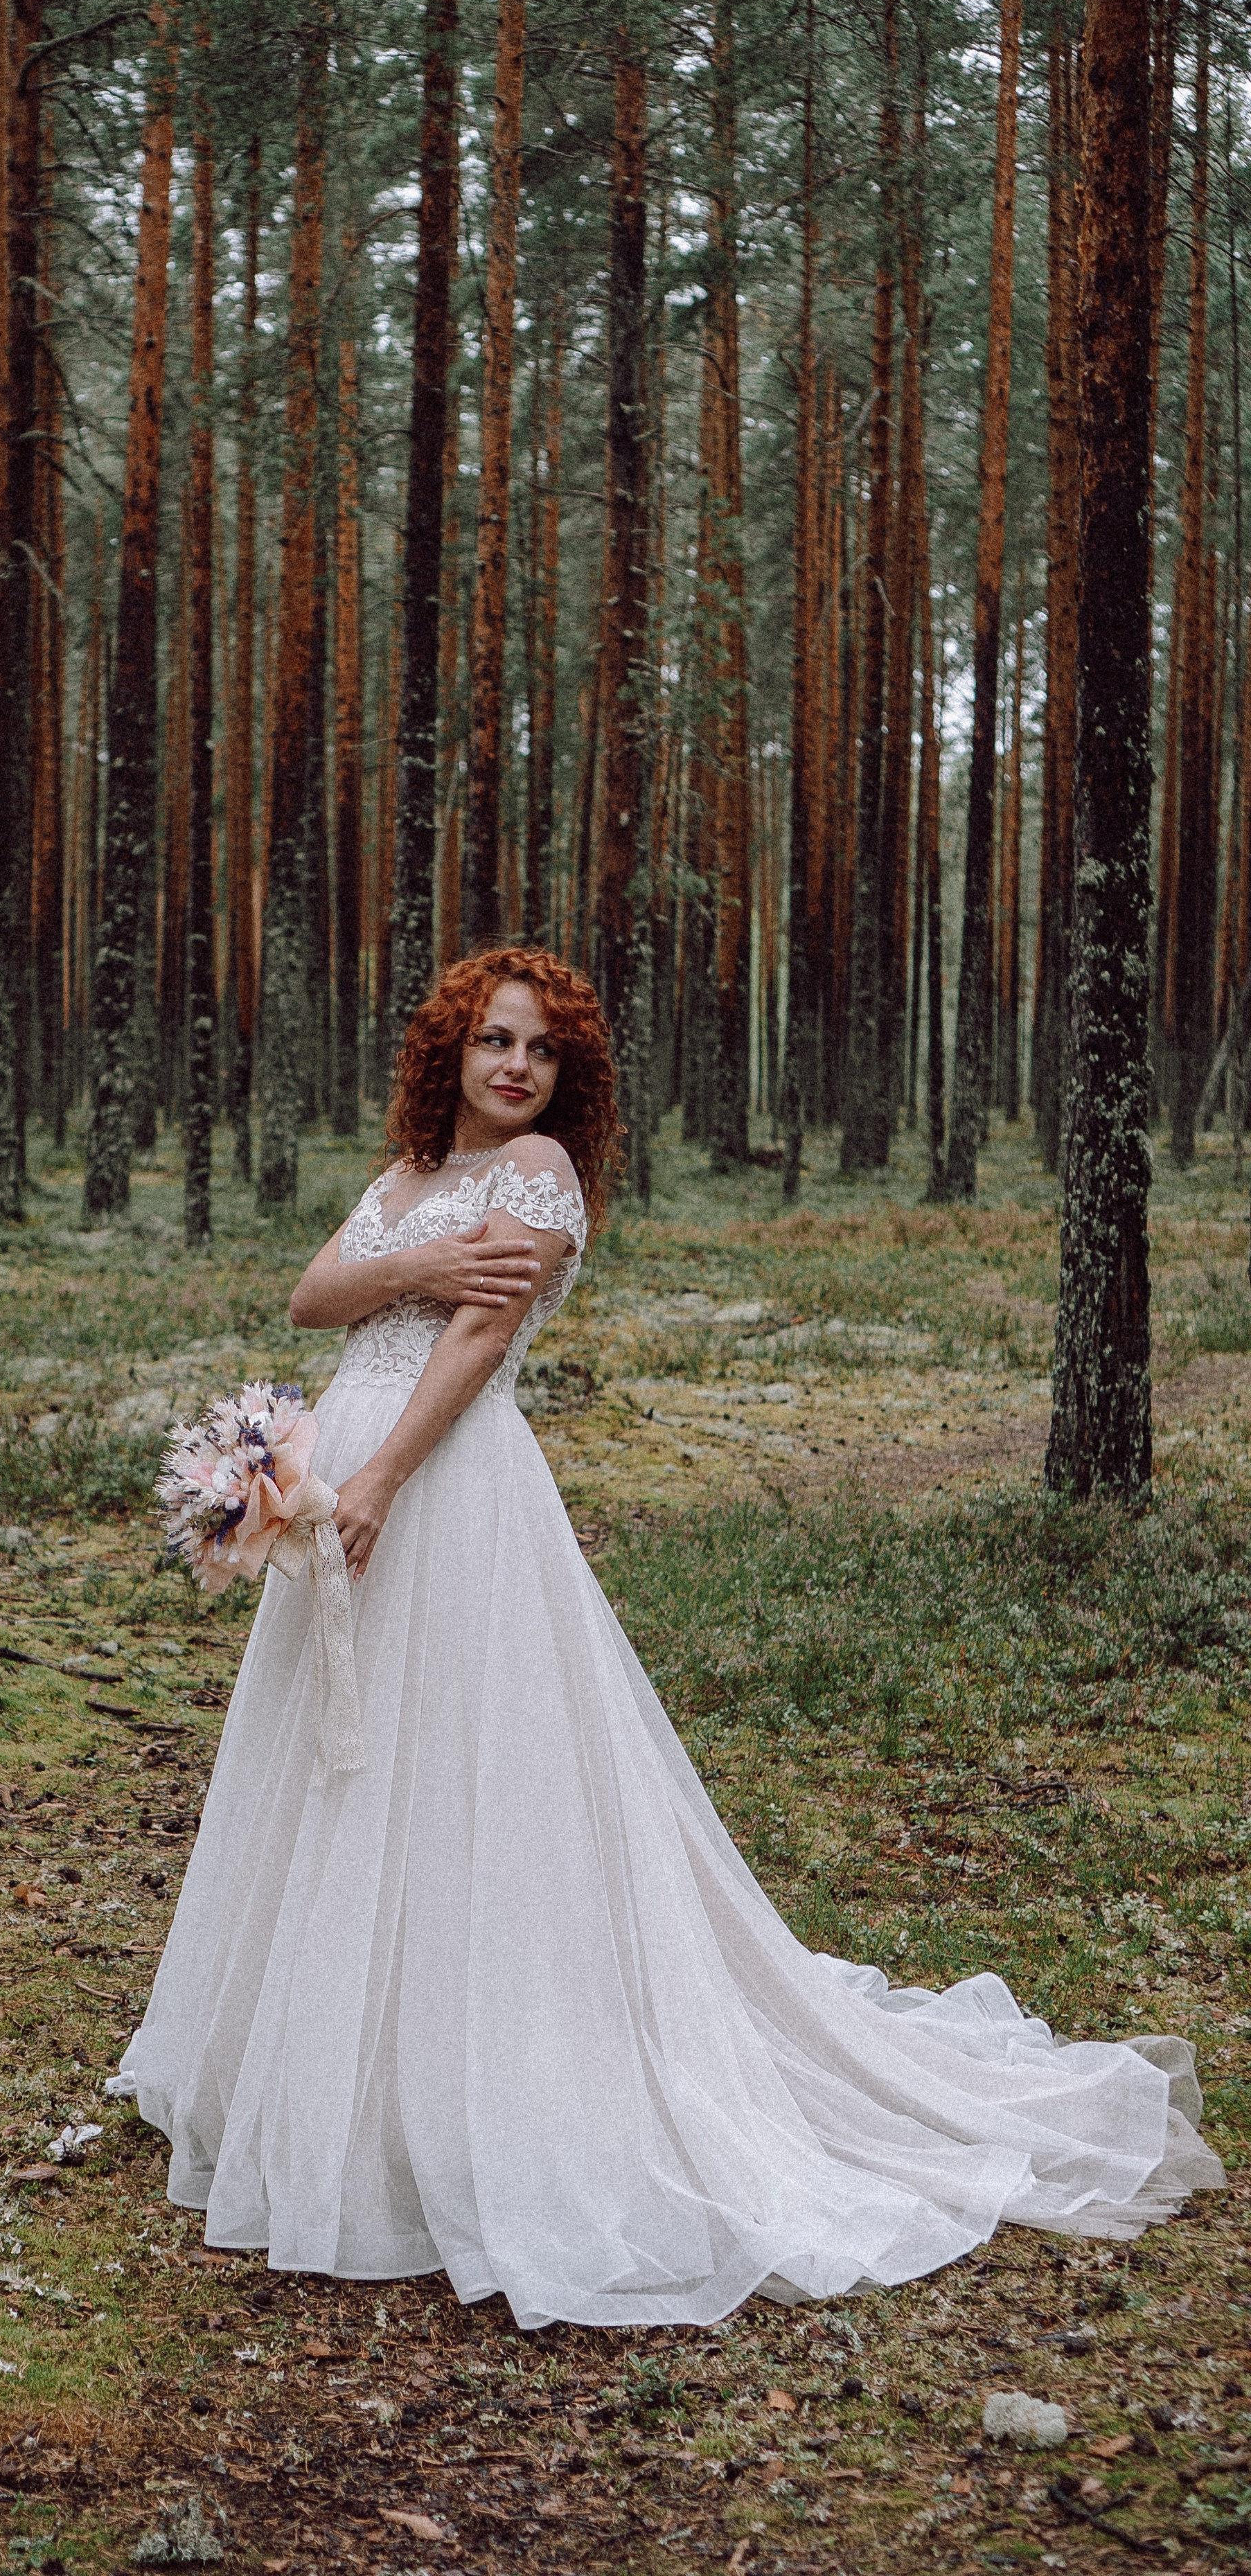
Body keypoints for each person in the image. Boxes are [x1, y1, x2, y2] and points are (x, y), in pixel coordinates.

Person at [116, 946, 1221, 2330]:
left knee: (463, 1775)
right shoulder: (405, 1182)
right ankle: (331, 2078)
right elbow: (311, 1298)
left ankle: (475, 2092)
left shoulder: (540, 1182)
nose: (515, 1069)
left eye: (543, 1056)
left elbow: (468, 1346)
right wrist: (416, 1264)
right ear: (448, 1049)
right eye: (494, 1042)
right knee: (337, 1774)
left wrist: (384, 1476)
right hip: (339, 1497)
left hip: (443, 1494)